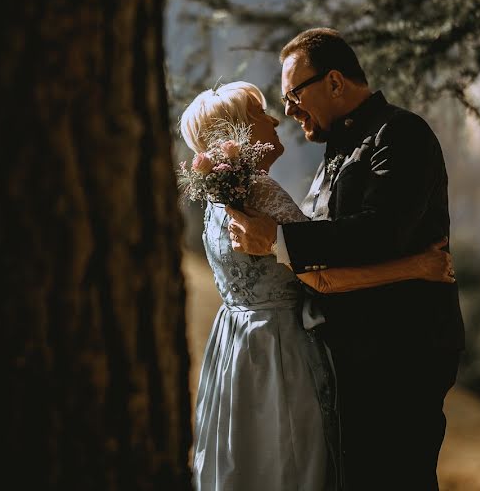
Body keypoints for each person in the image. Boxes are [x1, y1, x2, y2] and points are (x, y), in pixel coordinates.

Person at [180, 80, 455, 490]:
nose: (275, 118)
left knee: (250, 462)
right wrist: (418, 267)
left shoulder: (217, 203)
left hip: (236, 349)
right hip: (279, 351)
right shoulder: (261, 193)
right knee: (291, 462)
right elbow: (322, 279)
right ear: (235, 132)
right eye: (259, 113)